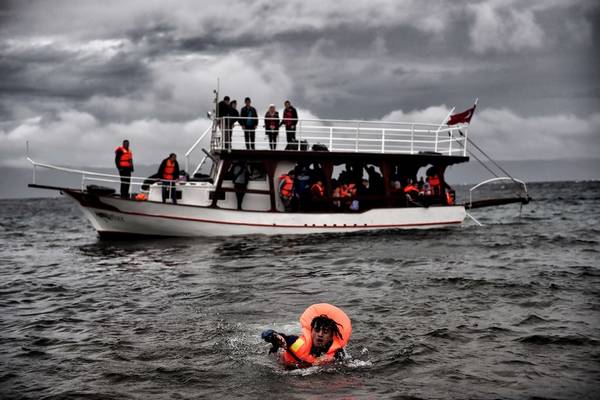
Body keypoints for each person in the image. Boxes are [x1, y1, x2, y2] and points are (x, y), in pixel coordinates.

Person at [261, 303, 352, 369]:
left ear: (331, 336)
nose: (320, 334)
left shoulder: (337, 354)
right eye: (317, 330)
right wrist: (273, 335)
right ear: (311, 331)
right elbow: (280, 338)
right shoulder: (296, 342)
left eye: (325, 332)